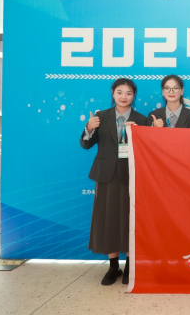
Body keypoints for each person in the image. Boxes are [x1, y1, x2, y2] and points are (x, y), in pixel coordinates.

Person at [80, 78, 148, 286]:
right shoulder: (101, 117)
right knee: (108, 219)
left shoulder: (141, 119)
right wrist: (89, 128)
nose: (124, 97)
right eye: (120, 92)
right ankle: (113, 266)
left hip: (131, 175)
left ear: (133, 95)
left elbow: (147, 150)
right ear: (113, 93)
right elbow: (85, 144)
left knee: (129, 220)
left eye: (128, 93)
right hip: (106, 176)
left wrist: (137, 134)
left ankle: (129, 266)